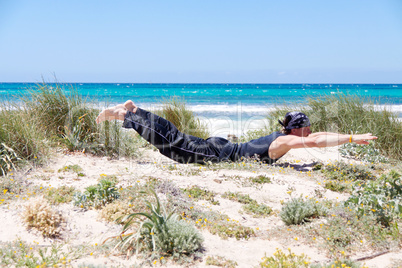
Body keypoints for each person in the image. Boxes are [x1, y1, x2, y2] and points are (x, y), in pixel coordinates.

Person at [96, 100, 377, 164]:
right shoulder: (285, 141)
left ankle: (135, 112)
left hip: (221, 147)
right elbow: (315, 141)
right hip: (219, 153)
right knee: (174, 146)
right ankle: (127, 115)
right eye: (309, 128)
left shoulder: (283, 137)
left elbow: (315, 135)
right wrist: (353, 138)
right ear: (300, 130)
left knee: (177, 137)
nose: (313, 132)